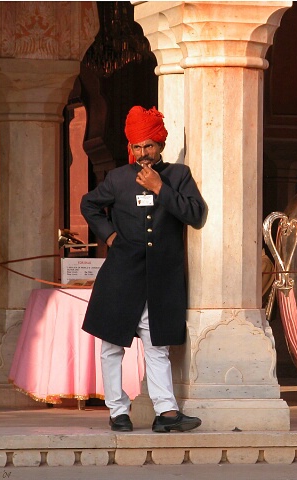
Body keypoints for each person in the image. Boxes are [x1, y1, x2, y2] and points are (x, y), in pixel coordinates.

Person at [81, 105, 207, 433]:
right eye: (137, 146)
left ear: (160, 145)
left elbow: (196, 214)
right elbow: (89, 204)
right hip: (121, 274)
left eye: (149, 145)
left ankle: (166, 413)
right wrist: (109, 234)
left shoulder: (178, 176)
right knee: (111, 345)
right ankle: (117, 411)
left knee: (156, 345)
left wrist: (160, 189)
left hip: (161, 277)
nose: (143, 153)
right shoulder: (118, 178)